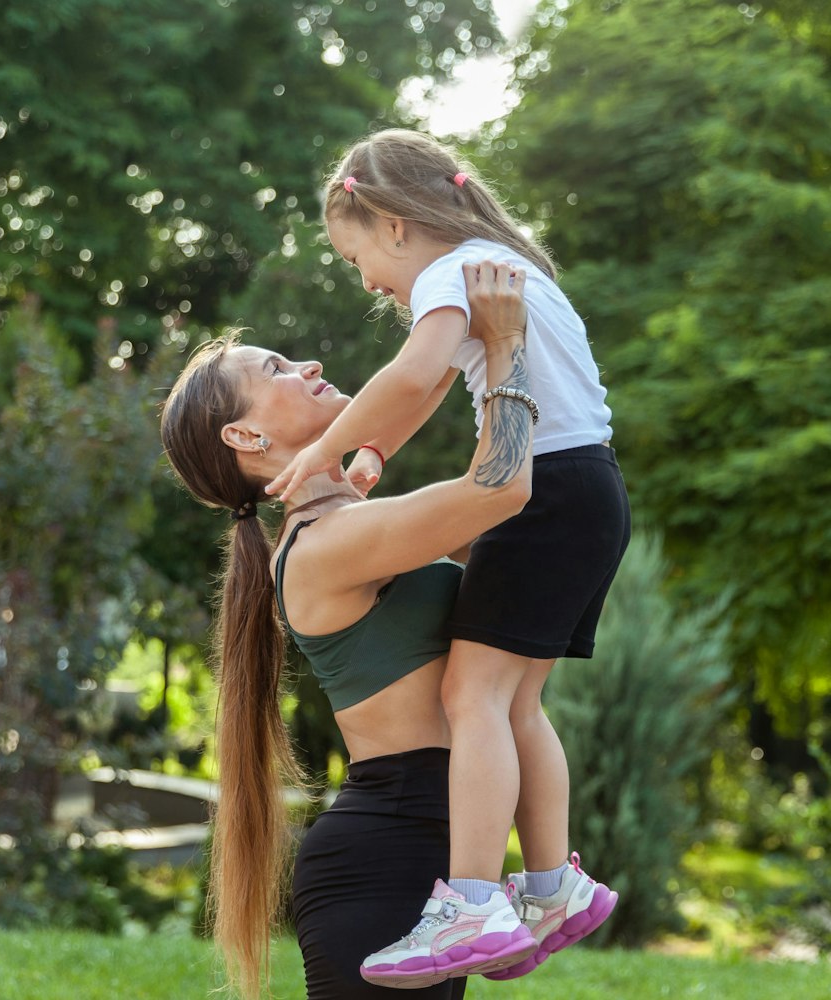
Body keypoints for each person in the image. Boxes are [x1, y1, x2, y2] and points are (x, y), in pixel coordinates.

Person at [264, 128, 630, 986]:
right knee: (516, 704)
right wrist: (375, 454)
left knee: (475, 695)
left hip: (542, 492)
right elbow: (427, 387)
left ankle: (471, 900)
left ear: (392, 224)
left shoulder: (448, 272)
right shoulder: (499, 267)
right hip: (589, 490)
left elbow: (409, 372)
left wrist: (324, 454)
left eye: (355, 256)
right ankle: (550, 889)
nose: (364, 282)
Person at [161, 263, 536, 999]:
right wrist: (507, 345)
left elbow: (495, 515)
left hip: (423, 847)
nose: (309, 366)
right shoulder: (326, 545)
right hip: (384, 861)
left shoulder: (348, 524)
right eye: (276, 368)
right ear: (245, 432)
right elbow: (502, 487)